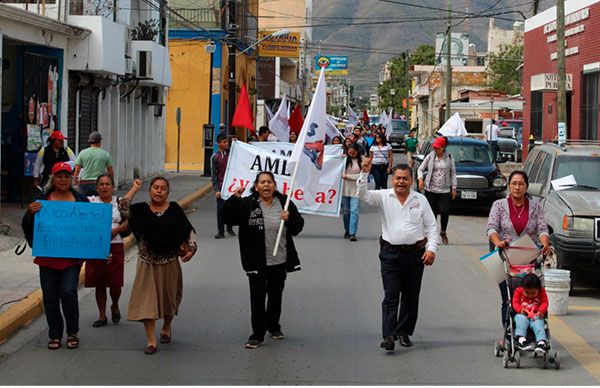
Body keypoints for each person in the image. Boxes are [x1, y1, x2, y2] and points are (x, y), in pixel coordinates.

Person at [357, 159, 439, 352]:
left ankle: (404, 332)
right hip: (390, 254)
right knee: (391, 294)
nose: (401, 182)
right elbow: (362, 195)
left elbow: (431, 226)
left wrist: (432, 249)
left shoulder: (420, 200)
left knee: (410, 296)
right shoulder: (383, 196)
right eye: (397, 178)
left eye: (405, 179)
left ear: (411, 181)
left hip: (415, 254)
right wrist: (364, 173)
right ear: (392, 180)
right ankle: (388, 335)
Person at [223, 171, 304, 349]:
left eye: (269, 182)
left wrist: (289, 219)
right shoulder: (247, 204)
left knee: (275, 296)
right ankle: (257, 334)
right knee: (258, 298)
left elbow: (298, 227)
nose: (266, 185)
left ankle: (274, 327)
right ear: (256, 186)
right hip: (256, 261)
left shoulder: (285, 202)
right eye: (262, 182)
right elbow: (227, 218)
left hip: (279, 260)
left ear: (274, 185)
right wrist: (233, 199)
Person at [120, 177, 197, 354]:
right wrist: (134, 188)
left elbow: (188, 231)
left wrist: (191, 250)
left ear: (167, 192)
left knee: (168, 300)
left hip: (169, 262)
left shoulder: (175, 210)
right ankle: (151, 341)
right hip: (147, 263)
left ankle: (166, 327)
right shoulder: (140, 210)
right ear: (150, 190)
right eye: (155, 187)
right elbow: (122, 207)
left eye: (163, 188)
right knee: (147, 302)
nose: (159, 191)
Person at [21, 162, 89, 350]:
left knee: (68, 292)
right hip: (48, 256)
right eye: (59, 176)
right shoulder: (43, 199)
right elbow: (27, 225)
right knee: (50, 297)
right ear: (53, 178)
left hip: (71, 258)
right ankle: (55, 334)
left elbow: (90, 229)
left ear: (71, 179)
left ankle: (73, 331)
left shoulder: (81, 201)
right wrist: (29, 213)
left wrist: (96, 252)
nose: (63, 179)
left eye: (66, 176)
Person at [486, 170, 550, 330]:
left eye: (521, 184)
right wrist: (498, 241)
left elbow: (542, 229)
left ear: (526, 186)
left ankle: (532, 332)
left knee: (530, 297)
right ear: (509, 186)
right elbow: (491, 228)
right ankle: (509, 334)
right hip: (504, 258)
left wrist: (544, 243)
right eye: (514, 183)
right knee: (508, 299)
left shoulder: (535, 207)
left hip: (528, 260)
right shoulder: (499, 205)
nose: (517, 187)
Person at [84, 173, 131, 327]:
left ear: (113, 187)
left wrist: (115, 231)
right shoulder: (90, 202)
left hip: (115, 244)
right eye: (101, 184)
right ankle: (102, 315)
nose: (104, 187)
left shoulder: (119, 203)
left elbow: (127, 222)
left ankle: (115, 304)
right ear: (97, 187)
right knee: (99, 281)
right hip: (96, 245)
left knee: (115, 282)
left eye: (107, 184)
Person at [417, 136, 457, 245]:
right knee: (432, 214)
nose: (435, 150)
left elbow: (453, 173)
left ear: (443, 147)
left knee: (444, 211)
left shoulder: (449, 157)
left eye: (438, 148)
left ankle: (443, 231)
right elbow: (420, 168)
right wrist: (420, 179)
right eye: (434, 148)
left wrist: (454, 188)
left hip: (444, 190)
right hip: (431, 189)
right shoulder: (430, 156)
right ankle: (432, 236)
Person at [512, 273, 549, 354]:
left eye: (533, 293)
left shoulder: (541, 292)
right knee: (521, 320)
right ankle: (521, 340)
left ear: (538, 289)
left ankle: (541, 343)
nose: (530, 296)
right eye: (527, 293)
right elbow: (515, 302)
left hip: (536, 315)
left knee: (539, 323)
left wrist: (541, 311)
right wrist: (520, 309)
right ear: (523, 289)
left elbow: (544, 302)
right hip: (523, 314)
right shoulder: (518, 291)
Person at [73, 131, 114, 196]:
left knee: (85, 204)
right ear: (99, 142)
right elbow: (110, 172)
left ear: (89, 142)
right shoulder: (105, 154)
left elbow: (77, 169)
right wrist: (111, 183)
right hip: (99, 184)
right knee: (99, 203)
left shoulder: (82, 153)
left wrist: (75, 180)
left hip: (84, 185)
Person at [211, 134, 236, 239]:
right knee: (220, 209)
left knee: (231, 208)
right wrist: (216, 189)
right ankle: (220, 231)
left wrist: (236, 143)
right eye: (224, 142)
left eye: (227, 142)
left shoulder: (230, 153)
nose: (226, 144)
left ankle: (229, 228)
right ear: (218, 143)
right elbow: (214, 175)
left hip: (231, 186)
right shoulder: (215, 157)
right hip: (221, 186)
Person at [342, 143, 362, 241]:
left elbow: (362, 176)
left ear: (357, 152)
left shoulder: (361, 161)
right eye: (349, 153)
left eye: (353, 153)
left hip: (356, 190)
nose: (351, 154)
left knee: (354, 211)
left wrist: (348, 177)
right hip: (345, 189)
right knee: (346, 212)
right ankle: (347, 229)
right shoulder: (344, 160)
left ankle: (352, 233)